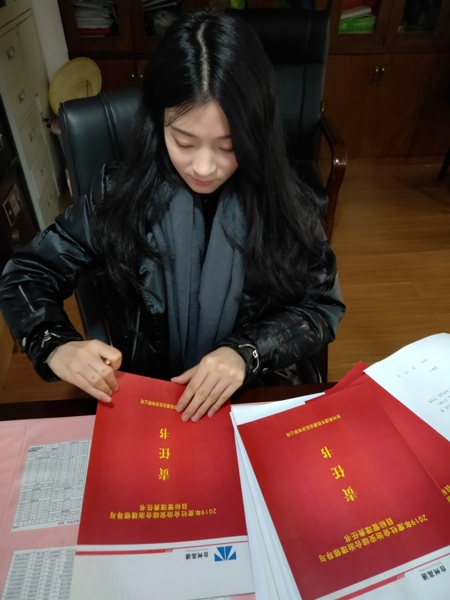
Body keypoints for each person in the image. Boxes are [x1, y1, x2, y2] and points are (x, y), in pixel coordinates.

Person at [0, 10, 345, 422]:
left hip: (249, 397)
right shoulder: (119, 194)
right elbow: (28, 272)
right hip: (150, 400)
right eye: (184, 141)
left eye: (228, 146)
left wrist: (248, 351)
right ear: (158, 122)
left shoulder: (285, 203)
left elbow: (321, 305)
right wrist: (55, 343)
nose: (204, 167)